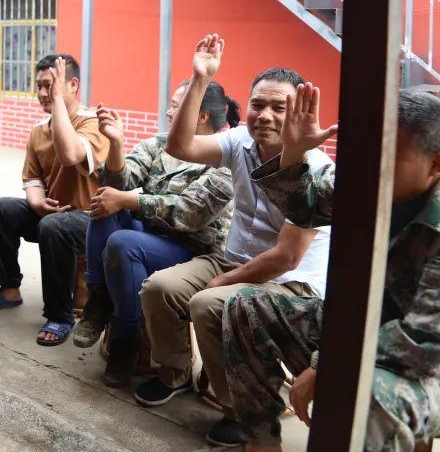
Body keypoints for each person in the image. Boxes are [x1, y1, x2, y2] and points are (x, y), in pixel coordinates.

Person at [137, 34, 333, 448]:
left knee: (208, 305)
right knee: (160, 288)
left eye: (279, 107)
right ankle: (175, 371)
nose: (265, 115)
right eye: (258, 104)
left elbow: (287, 257)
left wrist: (223, 282)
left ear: (298, 113)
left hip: (290, 281)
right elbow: (180, 145)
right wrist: (200, 79)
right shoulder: (239, 141)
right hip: (234, 258)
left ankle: (243, 409)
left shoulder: (316, 168)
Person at [223, 86, 440, 452]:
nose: (370, 167)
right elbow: (305, 209)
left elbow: (421, 343)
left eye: (388, 157)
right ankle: (260, 443)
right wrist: (294, 153)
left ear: (435, 164)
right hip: (359, 334)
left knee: (364, 398)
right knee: (246, 307)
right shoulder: (369, 184)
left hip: (424, 367)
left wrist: (326, 365)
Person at [73, 82, 236, 388]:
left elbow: (191, 214)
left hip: (193, 249)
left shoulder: (225, 157)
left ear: (200, 116)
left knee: (123, 242)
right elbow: (119, 184)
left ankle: (125, 340)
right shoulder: (161, 143)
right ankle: (100, 297)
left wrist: (129, 201)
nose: (169, 112)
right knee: (105, 205)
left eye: (176, 105)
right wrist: (117, 144)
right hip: (150, 235)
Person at [0, 55, 110, 347]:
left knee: (53, 226)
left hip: (90, 218)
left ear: (73, 85)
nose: (43, 93)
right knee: (0, 209)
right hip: (53, 214)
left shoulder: (93, 124)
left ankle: (60, 315)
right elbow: (33, 179)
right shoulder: (39, 131)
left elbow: (70, 155)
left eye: (50, 85)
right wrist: (36, 203)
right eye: (39, 86)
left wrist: (58, 102)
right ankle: (9, 288)